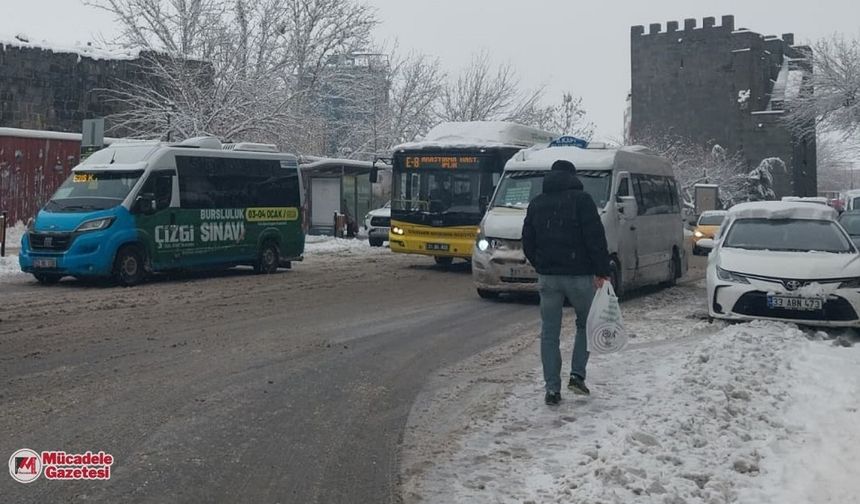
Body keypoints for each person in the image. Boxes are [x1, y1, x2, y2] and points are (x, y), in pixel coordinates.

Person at [522, 159, 611, 406]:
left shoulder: (537, 203)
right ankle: (577, 375)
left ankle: (552, 388)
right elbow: (595, 238)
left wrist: (540, 264)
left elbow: (527, 240)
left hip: (548, 277)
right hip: (579, 275)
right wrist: (602, 270)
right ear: (573, 177)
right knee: (586, 323)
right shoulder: (582, 201)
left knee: (549, 332)